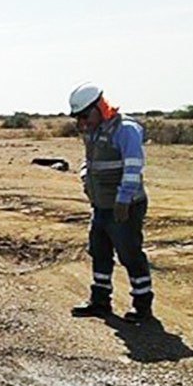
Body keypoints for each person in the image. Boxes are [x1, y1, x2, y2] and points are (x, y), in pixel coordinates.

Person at [68, 82, 154, 323]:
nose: (82, 122)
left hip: (125, 205)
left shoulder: (125, 129)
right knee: (100, 251)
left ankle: (143, 306)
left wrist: (124, 199)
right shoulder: (93, 132)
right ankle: (100, 301)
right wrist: (85, 178)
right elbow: (91, 162)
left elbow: (134, 166)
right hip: (102, 205)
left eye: (85, 115)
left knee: (130, 253)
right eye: (78, 118)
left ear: (99, 107)